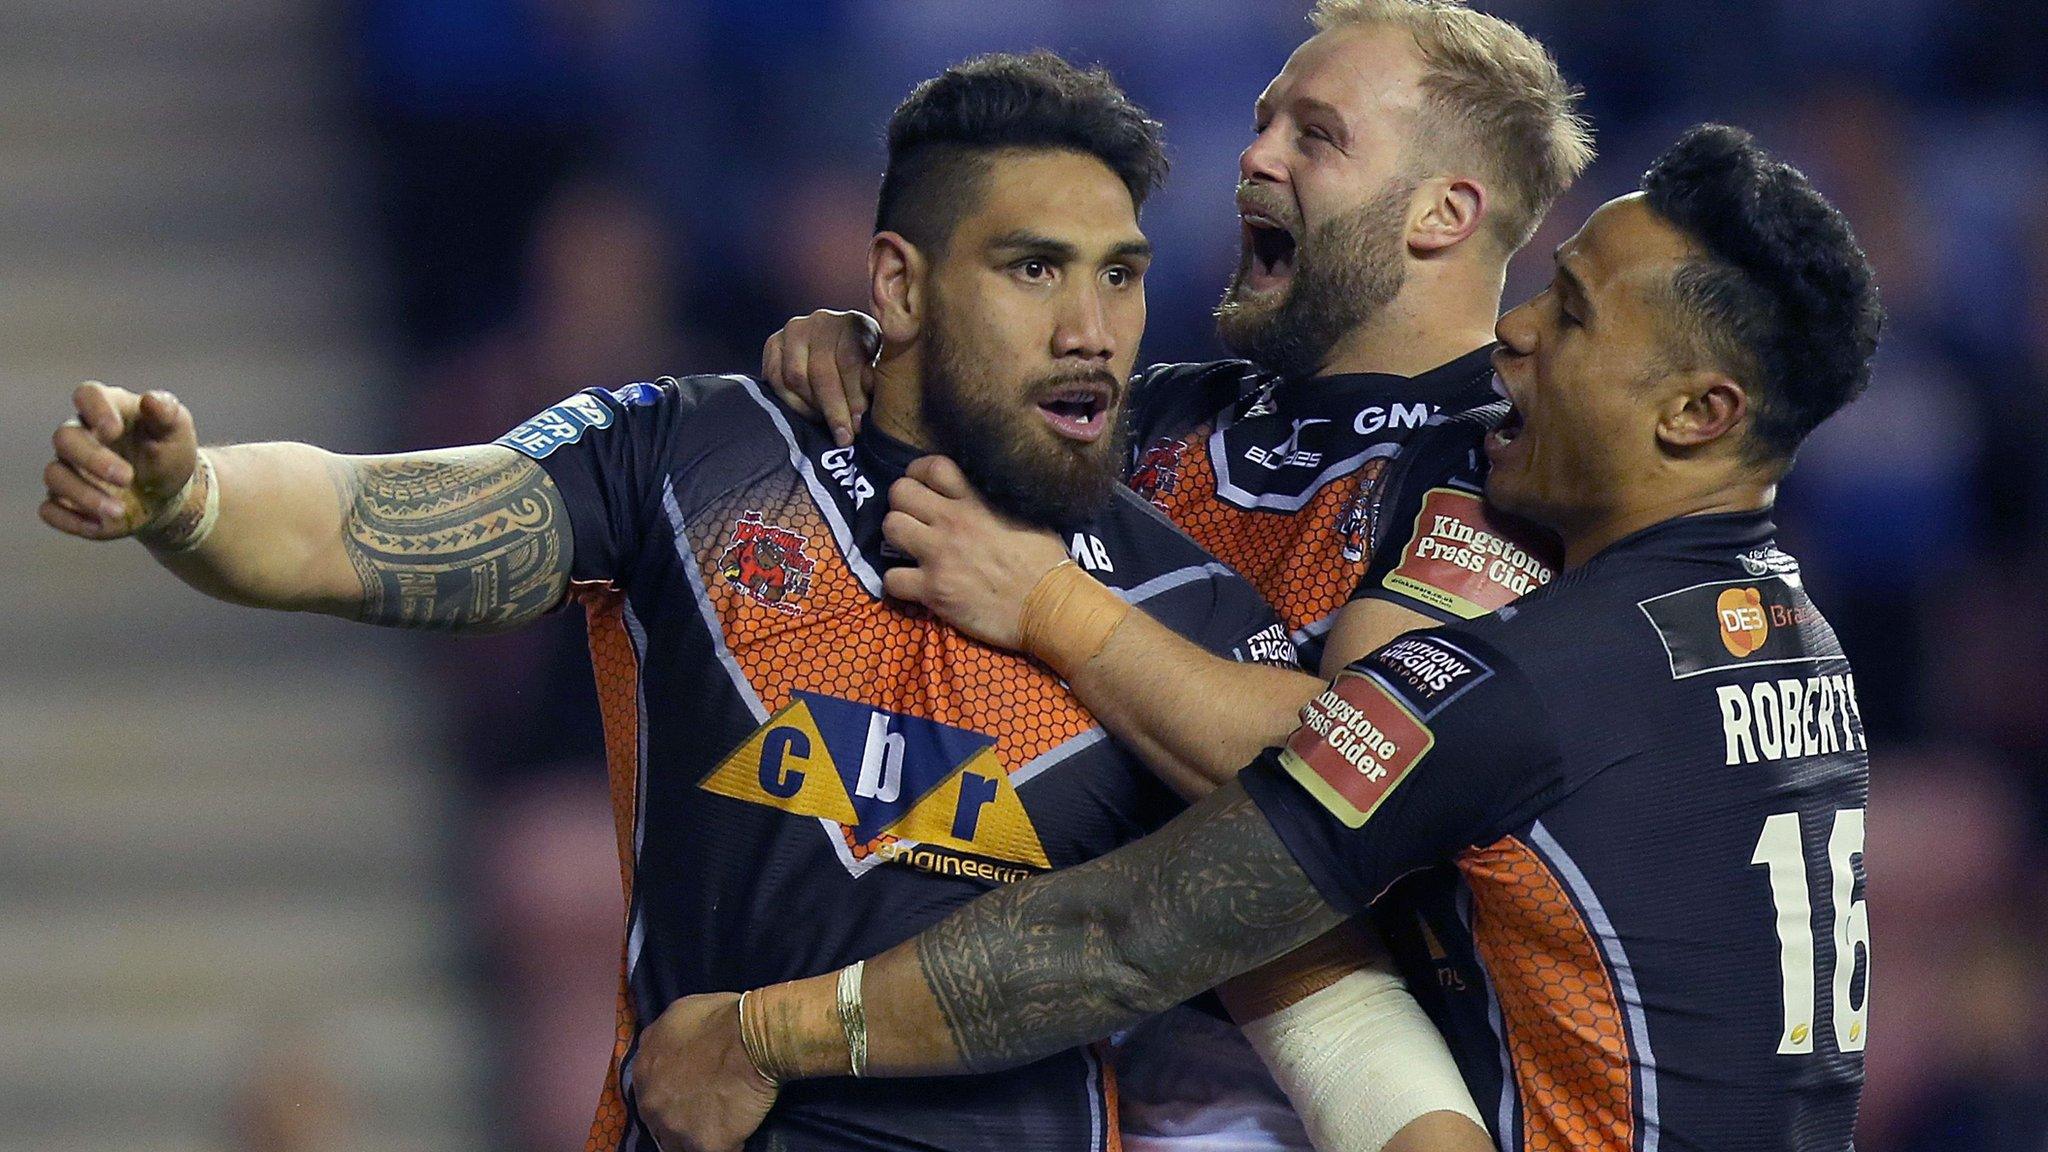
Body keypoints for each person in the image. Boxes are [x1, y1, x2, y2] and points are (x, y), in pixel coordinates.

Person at [39, 51, 1487, 1152]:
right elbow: (370, 522)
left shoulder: (1190, 614)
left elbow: (1326, 980)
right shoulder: (696, 454)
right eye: (1034, 268)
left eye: (1119, 274)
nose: (1093, 326)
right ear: (899, 287)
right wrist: (193, 496)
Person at [643, 124, 1885, 1152]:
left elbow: (1128, 935)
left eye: (1567, 315)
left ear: (1697, 413)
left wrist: (771, 1035)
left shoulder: (1529, 681)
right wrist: (889, 351)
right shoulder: (1797, 650)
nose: (1509, 333)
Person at [768, 0, 1590, 681]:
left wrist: (1051, 607)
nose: (1255, 156)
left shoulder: (1508, 459)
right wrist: (876, 346)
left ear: (1444, 214)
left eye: (1316, 136)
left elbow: (1363, 770)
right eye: (1265, 123)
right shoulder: (1165, 406)